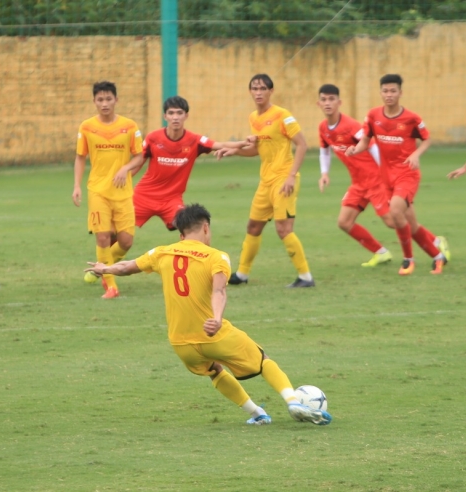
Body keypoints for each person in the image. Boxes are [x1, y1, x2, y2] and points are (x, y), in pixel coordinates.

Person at [85, 204, 332, 426]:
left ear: (181, 235)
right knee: (263, 359)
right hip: (212, 334)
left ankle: (257, 413)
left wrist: (104, 268)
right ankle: (292, 401)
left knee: (214, 370)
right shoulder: (217, 256)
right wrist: (215, 318)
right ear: (205, 228)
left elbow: (127, 267)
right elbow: (219, 290)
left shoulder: (161, 252)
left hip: (181, 343)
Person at [215, 74, 314, 287]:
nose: (258, 92)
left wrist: (290, 176)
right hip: (266, 181)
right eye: (254, 88)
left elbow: (303, 144)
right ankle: (242, 274)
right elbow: (257, 150)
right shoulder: (254, 118)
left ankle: (306, 277)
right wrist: (234, 151)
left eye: (262, 88)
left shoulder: (282, 115)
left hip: (283, 180)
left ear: (271, 91)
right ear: (250, 91)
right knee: (253, 227)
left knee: (283, 229)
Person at [345, 74, 449, 275]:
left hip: (407, 175)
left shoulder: (411, 118)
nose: (389, 95)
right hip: (386, 177)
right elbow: (365, 141)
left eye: (393, 91)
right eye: (385, 91)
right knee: (410, 223)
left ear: (400, 93)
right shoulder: (373, 115)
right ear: (380, 93)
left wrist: (416, 154)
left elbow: (427, 139)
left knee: (395, 211)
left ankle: (408, 259)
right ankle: (438, 256)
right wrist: (354, 150)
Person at [117, 95, 246, 231]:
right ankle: (106, 252)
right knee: (119, 232)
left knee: (188, 227)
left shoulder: (194, 140)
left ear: (186, 116)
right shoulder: (153, 138)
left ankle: (188, 252)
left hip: (172, 200)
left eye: (179, 113)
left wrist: (244, 143)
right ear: (165, 116)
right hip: (144, 196)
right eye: (171, 113)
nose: (175, 117)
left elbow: (221, 144)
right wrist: (122, 179)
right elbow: (138, 163)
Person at [73, 81, 143, 299]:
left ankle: (101, 266)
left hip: (122, 192)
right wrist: (77, 186)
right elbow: (80, 157)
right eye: (100, 100)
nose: (104, 104)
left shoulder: (130, 126)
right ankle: (111, 286)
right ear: (94, 101)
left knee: (126, 242)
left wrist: (126, 168)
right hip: (98, 191)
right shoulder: (86, 127)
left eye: (108, 99)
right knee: (102, 238)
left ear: (116, 100)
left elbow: (140, 155)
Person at [316, 84, 396, 267]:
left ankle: (434, 242)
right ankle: (381, 252)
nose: (327, 103)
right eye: (324, 99)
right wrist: (324, 173)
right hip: (358, 183)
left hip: (375, 180)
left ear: (339, 102)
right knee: (344, 222)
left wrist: (386, 173)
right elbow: (324, 150)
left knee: (392, 222)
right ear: (318, 103)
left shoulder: (351, 125)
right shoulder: (323, 128)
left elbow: (373, 145)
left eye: (331, 99)